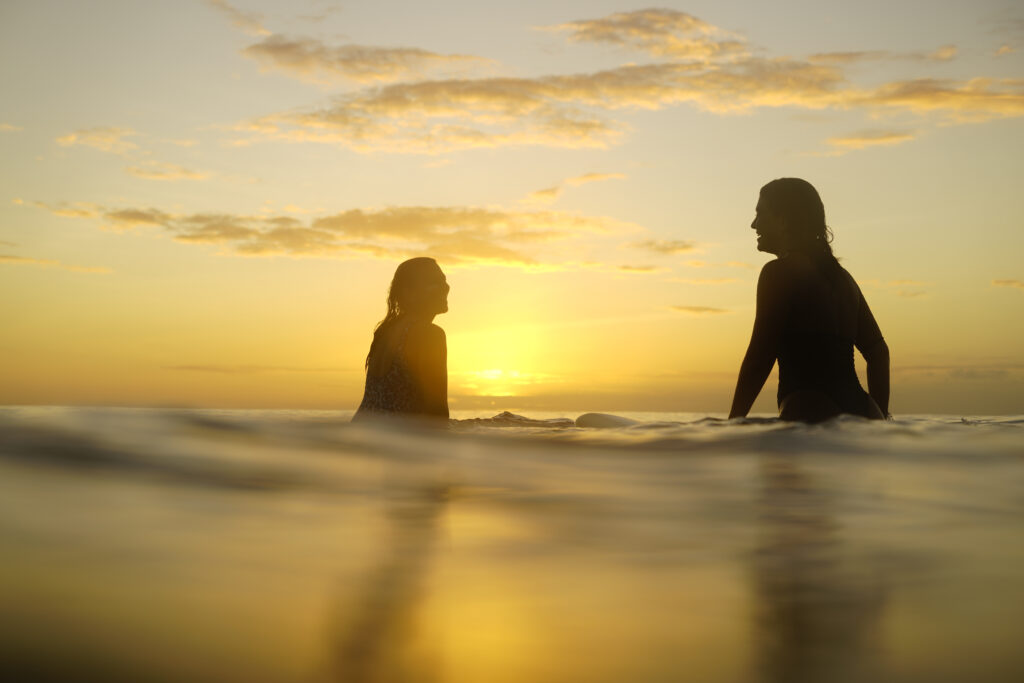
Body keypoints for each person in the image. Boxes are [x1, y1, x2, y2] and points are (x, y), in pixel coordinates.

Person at [728, 178, 890, 422]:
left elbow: (760, 357)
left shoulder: (778, 272)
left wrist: (733, 422)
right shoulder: (843, 280)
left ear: (783, 220)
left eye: (760, 214)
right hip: (864, 409)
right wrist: (880, 423)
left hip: (809, 408)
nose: (754, 224)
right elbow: (878, 353)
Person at [353, 257, 450, 422]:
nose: (445, 287)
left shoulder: (385, 332)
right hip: (395, 436)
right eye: (434, 282)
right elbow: (437, 414)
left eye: (443, 280)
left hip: (362, 433)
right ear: (408, 293)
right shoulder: (429, 334)